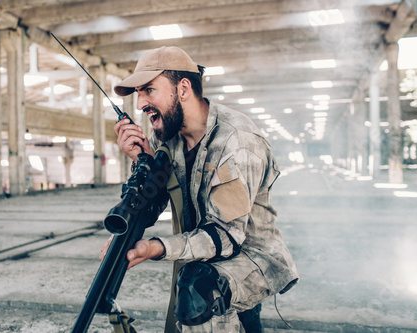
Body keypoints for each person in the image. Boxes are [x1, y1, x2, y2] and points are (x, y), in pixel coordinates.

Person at [100, 46, 299, 332]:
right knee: (196, 281)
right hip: (202, 252)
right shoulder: (167, 139)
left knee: (200, 290)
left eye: (148, 90)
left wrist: (157, 247)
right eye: (138, 95)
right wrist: (142, 163)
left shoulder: (238, 141)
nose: (140, 104)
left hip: (252, 257)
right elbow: (157, 203)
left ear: (182, 88)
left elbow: (226, 236)